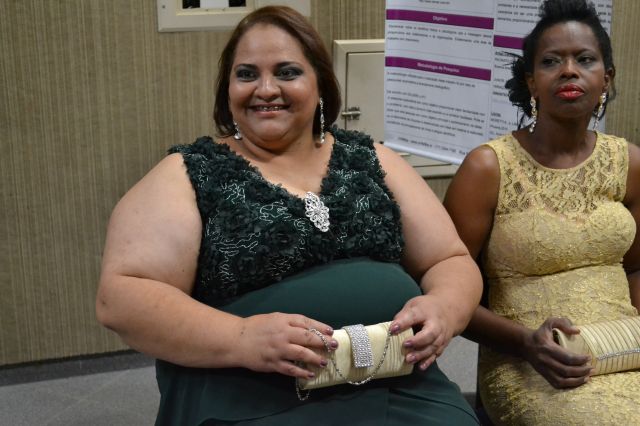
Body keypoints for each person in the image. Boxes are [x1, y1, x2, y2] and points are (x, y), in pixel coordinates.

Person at [96, 6, 482, 425]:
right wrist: (242, 337)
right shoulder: (189, 173)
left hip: (397, 381)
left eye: (287, 72)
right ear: (227, 90)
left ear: (320, 85)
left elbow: (450, 259)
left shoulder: (372, 158)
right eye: (246, 74)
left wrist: (445, 307)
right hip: (251, 390)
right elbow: (121, 299)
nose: (266, 89)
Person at [443, 0, 640, 424]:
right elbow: (444, 291)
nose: (569, 71)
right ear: (532, 83)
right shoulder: (488, 167)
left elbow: (637, 269)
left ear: (606, 79)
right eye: (551, 61)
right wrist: (525, 343)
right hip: (530, 363)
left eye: (584, 59)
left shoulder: (629, 161)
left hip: (625, 349)